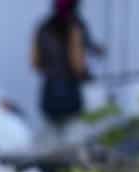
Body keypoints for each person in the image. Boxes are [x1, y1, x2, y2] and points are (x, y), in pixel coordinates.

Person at [32, 0, 99, 130]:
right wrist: (85, 74)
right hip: (69, 87)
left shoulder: (44, 27)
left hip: (49, 87)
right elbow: (77, 59)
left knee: (52, 128)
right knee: (73, 127)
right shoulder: (75, 26)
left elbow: (35, 61)